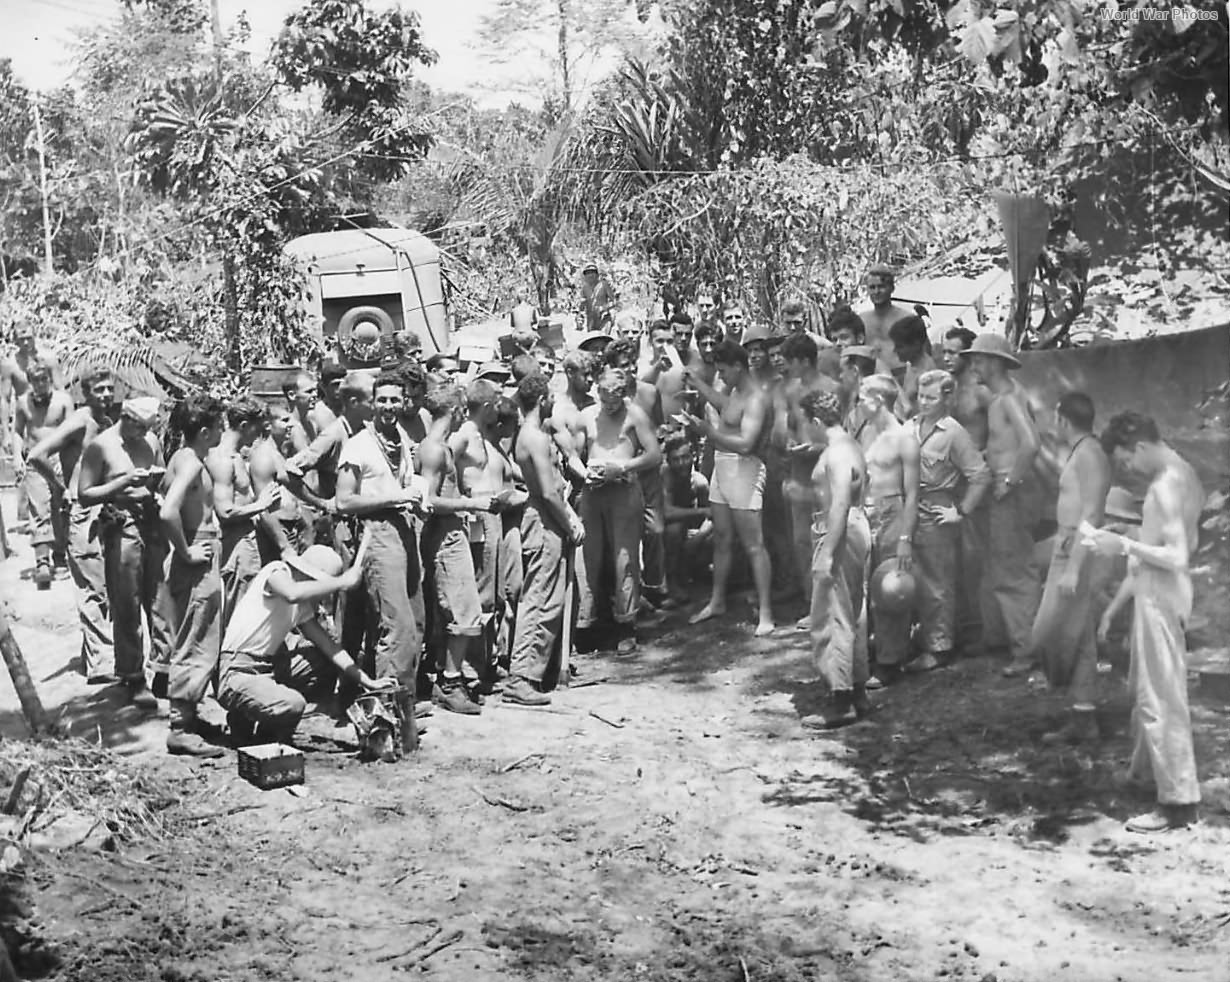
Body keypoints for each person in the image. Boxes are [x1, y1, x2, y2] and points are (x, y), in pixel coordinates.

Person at [1087, 413, 1204, 832]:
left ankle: (1178, 800)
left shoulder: (1163, 488)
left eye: (1124, 461)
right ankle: (1143, 774)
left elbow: (1176, 556)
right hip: (1158, 591)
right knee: (1145, 688)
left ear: (1137, 446)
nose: (1126, 471)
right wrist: (1116, 605)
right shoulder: (1185, 472)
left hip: (1162, 594)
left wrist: (1121, 543)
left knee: (1161, 699)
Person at [217, 532, 394, 744]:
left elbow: (331, 649)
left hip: (268, 668)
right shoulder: (276, 572)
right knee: (293, 704)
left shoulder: (302, 609)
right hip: (237, 670)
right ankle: (246, 718)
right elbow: (292, 593)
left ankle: (265, 731)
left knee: (321, 659)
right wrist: (341, 583)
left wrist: (368, 681)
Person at [335, 369, 430, 697]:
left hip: (405, 528)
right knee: (395, 624)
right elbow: (344, 501)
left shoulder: (401, 436)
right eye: (382, 400)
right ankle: (386, 708)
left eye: (394, 400)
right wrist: (396, 497)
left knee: (415, 620)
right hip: (376, 531)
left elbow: (407, 482)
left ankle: (405, 698)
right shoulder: (358, 446)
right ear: (372, 404)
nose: (389, 406)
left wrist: (417, 499)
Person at [1028, 392, 1113, 742]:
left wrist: (1075, 566)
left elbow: (1092, 513)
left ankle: (1081, 712)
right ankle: (1083, 715)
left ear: (1064, 419)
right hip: (1067, 544)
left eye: (1055, 417)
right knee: (1076, 637)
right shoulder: (1082, 451)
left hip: (1078, 548)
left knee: (1051, 633)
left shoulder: (1090, 453)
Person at [76, 397, 169, 710]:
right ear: (126, 419)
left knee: (159, 600)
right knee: (126, 602)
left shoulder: (151, 441)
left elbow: (163, 478)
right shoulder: (101, 446)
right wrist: (123, 482)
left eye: (147, 429)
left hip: (151, 523)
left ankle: (163, 669)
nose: (142, 434)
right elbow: (85, 494)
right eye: (138, 427)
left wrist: (155, 488)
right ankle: (132, 674)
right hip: (122, 526)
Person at [24, 365, 115, 681]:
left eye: (109, 388)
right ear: (85, 393)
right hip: (80, 512)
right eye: (98, 389)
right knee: (92, 587)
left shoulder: (104, 422)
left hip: (103, 511)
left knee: (103, 584)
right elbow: (36, 455)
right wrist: (61, 488)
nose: (105, 394)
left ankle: (95, 655)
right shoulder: (79, 421)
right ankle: (102, 665)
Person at [682, 340, 775, 636]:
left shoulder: (756, 398)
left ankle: (767, 613)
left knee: (753, 543)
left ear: (738, 366)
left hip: (744, 468)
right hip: (723, 467)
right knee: (721, 536)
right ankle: (717, 600)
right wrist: (696, 383)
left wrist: (708, 431)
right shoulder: (734, 392)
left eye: (723, 371)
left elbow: (747, 444)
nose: (720, 377)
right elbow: (723, 405)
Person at [962, 334, 1041, 675]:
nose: (973, 366)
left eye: (978, 360)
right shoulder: (1000, 399)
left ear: (994, 362)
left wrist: (1009, 481)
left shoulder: (1009, 398)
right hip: (1001, 490)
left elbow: (1031, 444)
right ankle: (1003, 639)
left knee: (1014, 573)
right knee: (999, 567)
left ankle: (1027, 651)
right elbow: (1005, 446)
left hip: (1010, 494)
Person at [155, 395, 227, 757]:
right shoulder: (190, 464)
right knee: (194, 639)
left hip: (199, 551)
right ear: (203, 431)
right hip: (197, 556)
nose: (222, 432)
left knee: (198, 634)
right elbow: (168, 512)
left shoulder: (184, 458)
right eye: (218, 427)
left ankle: (189, 714)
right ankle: (180, 727)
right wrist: (185, 551)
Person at [506, 374, 585, 705]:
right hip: (543, 520)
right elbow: (549, 491)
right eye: (550, 398)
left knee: (550, 599)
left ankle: (537, 670)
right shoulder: (533, 439)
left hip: (549, 517)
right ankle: (520, 676)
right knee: (539, 598)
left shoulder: (536, 435)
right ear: (541, 401)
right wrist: (569, 523)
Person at [907, 370, 991, 672]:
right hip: (910, 509)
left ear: (946, 397)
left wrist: (961, 511)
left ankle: (940, 647)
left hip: (938, 511)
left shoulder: (953, 433)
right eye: (920, 396)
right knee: (916, 579)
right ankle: (923, 637)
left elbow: (980, 475)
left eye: (931, 398)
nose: (924, 403)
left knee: (937, 583)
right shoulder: (911, 426)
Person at [798, 389, 871, 729]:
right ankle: (856, 690)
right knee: (853, 612)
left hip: (839, 530)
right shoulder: (849, 445)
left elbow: (840, 502)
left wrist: (827, 552)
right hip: (849, 527)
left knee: (833, 616)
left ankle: (841, 699)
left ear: (815, 420)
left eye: (806, 424)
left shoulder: (839, 453)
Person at [575, 368, 662, 653]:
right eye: (603, 396)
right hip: (593, 491)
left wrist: (622, 467)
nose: (608, 403)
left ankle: (626, 623)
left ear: (624, 394)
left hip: (624, 489)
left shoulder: (635, 415)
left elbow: (653, 454)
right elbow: (574, 454)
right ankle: (588, 623)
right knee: (590, 555)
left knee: (624, 557)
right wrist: (582, 471)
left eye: (614, 398)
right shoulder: (588, 415)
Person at [418, 380, 491, 714]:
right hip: (445, 538)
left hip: (453, 532)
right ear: (457, 410)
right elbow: (428, 501)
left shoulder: (442, 445)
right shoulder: (434, 449)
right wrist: (476, 504)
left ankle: (447, 677)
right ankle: (450, 683)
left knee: (457, 611)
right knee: (463, 611)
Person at [453, 385, 527, 671]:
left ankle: (489, 659)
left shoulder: (485, 439)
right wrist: (465, 500)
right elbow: (445, 466)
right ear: (485, 407)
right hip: (477, 518)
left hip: (493, 517)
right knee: (483, 594)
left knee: (496, 594)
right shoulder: (464, 436)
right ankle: (474, 666)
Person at [856, 374, 919, 684]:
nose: (857, 403)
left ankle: (891, 660)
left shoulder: (904, 438)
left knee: (892, 586)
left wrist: (906, 538)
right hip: (865, 510)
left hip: (892, 510)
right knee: (864, 585)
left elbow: (913, 495)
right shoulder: (867, 432)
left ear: (878, 401)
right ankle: (870, 650)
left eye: (862, 398)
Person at [780, 333, 840, 626]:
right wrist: (791, 442)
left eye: (790, 362)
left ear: (804, 361)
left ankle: (831, 604)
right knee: (801, 540)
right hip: (799, 469)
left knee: (826, 537)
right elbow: (791, 426)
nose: (785, 367)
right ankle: (811, 602)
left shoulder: (832, 389)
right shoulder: (791, 390)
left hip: (826, 470)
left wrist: (817, 448)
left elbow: (842, 436)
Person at [208, 399, 282, 627]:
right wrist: (262, 504)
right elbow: (225, 511)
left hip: (247, 541)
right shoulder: (222, 459)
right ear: (243, 425)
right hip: (234, 546)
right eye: (256, 429)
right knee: (237, 611)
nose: (258, 436)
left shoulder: (237, 456)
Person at [13, 363, 74, 587]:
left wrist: (67, 460)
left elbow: (72, 431)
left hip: (58, 459)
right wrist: (17, 457)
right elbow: (18, 431)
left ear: (50, 379)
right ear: (30, 382)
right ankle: (42, 562)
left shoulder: (64, 401)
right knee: (39, 508)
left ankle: (60, 556)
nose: (40, 385)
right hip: (34, 461)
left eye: (44, 380)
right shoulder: (23, 403)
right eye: (36, 381)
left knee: (60, 508)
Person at [661, 428, 712, 604]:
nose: (681, 463)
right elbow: (666, 513)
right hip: (668, 534)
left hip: (693, 535)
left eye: (685, 457)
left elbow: (712, 517)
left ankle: (699, 573)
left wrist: (698, 536)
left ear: (693, 457)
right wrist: (700, 512)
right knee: (673, 531)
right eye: (676, 459)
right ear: (668, 461)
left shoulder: (700, 482)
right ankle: (672, 582)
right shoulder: (665, 477)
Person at [858, 265, 913, 373]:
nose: (876, 291)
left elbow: (924, 356)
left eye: (881, 286)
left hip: (902, 375)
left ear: (892, 288)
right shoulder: (861, 320)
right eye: (872, 287)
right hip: (872, 378)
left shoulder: (906, 320)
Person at [889, 314, 937, 419]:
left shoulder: (927, 375)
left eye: (900, 346)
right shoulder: (911, 365)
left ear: (916, 345)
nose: (895, 351)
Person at [580, 262, 616, 332]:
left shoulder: (604, 284)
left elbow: (614, 301)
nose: (590, 275)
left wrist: (604, 307)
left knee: (604, 338)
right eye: (588, 273)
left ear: (597, 274)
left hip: (604, 318)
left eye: (592, 272)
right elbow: (581, 306)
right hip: (591, 319)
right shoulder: (585, 288)